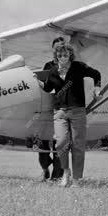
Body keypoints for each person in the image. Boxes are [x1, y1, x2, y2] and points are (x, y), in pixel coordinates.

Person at [42, 42, 101, 187]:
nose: (62, 57)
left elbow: (96, 74)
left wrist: (97, 89)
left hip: (78, 111)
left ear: (70, 55)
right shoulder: (53, 71)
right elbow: (48, 88)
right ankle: (66, 172)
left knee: (78, 146)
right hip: (60, 112)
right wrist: (36, 81)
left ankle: (76, 179)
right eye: (59, 55)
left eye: (65, 54)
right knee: (61, 143)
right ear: (56, 56)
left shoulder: (79, 67)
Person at [37, 37, 66, 181]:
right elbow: (45, 86)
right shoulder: (48, 65)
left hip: (61, 108)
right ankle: (45, 169)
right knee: (42, 146)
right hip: (45, 109)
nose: (59, 49)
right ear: (53, 49)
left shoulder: (70, 65)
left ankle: (56, 176)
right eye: (57, 47)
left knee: (58, 145)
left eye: (62, 46)